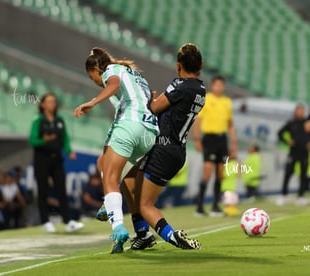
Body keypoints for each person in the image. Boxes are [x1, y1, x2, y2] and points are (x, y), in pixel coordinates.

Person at [73, 47, 158, 253]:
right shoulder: (135, 75)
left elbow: (113, 83)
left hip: (130, 125)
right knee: (126, 181)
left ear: (96, 68)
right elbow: (152, 97)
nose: (93, 81)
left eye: (91, 76)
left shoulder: (111, 70)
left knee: (108, 177)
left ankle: (117, 226)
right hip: (149, 132)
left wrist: (92, 102)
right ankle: (142, 232)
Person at [137, 43, 205, 250]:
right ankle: (143, 236)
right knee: (133, 185)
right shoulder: (201, 89)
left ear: (178, 66)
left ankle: (172, 236)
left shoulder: (180, 85)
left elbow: (155, 107)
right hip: (178, 150)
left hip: (163, 148)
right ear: (200, 65)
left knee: (144, 205)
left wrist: (151, 99)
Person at [30, 92, 84, 233]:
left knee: (61, 189)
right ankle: (45, 221)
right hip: (42, 158)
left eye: (54, 101)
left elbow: (65, 138)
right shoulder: (38, 120)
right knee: (43, 190)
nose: (52, 104)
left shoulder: (60, 120)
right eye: (49, 101)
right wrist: (45, 140)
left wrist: (69, 151)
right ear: (42, 104)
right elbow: (32, 140)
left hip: (57, 158)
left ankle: (68, 221)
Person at [193, 76, 238, 216]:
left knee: (220, 173)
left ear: (223, 86)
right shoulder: (207, 99)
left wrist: (233, 142)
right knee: (207, 171)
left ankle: (215, 205)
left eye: (221, 85)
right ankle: (199, 206)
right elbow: (198, 120)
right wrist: (197, 139)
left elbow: (230, 124)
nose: (219, 87)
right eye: (216, 85)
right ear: (212, 86)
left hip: (222, 139)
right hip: (209, 138)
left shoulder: (227, 102)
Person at [276, 104, 310, 206]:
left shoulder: (307, 122)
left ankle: (301, 196)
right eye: (299, 110)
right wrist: (287, 141)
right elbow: (280, 133)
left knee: (303, 175)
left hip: (304, 152)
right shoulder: (291, 123)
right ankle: (283, 195)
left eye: (302, 111)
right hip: (293, 152)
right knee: (288, 173)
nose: (301, 112)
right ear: (295, 112)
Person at [222, 149, 240, 216]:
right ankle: (229, 210)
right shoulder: (229, 164)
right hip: (227, 185)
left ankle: (229, 210)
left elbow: (226, 175)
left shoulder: (233, 164)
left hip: (229, 185)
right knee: (228, 200)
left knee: (229, 200)